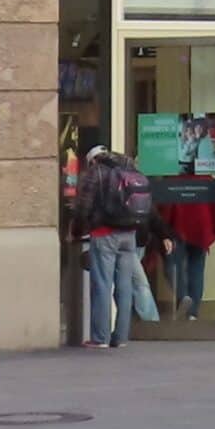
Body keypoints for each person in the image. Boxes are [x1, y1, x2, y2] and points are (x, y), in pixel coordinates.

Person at [73, 147, 149, 349]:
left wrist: (76, 230)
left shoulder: (96, 171)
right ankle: (121, 337)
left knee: (102, 285)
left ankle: (100, 338)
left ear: (92, 160)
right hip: (129, 233)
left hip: (105, 233)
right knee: (124, 286)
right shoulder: (128, 167)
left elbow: (84, 205)